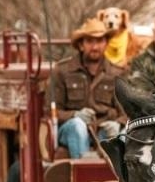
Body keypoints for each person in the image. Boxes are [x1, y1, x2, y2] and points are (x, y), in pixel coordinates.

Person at [47, 18, 125, 162]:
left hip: (103, 130)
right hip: (70, 131)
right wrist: (75, 115)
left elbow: (126, 112)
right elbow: (51, 112)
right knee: (78, 126)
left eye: (100, 41)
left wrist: (118, 124)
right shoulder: (62, 71)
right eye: (90, 41)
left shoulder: (117, 74)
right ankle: (84, 172)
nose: (95, 47)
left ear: (106, 43)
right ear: (81, 45)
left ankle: (118, 180)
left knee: (121, 134)